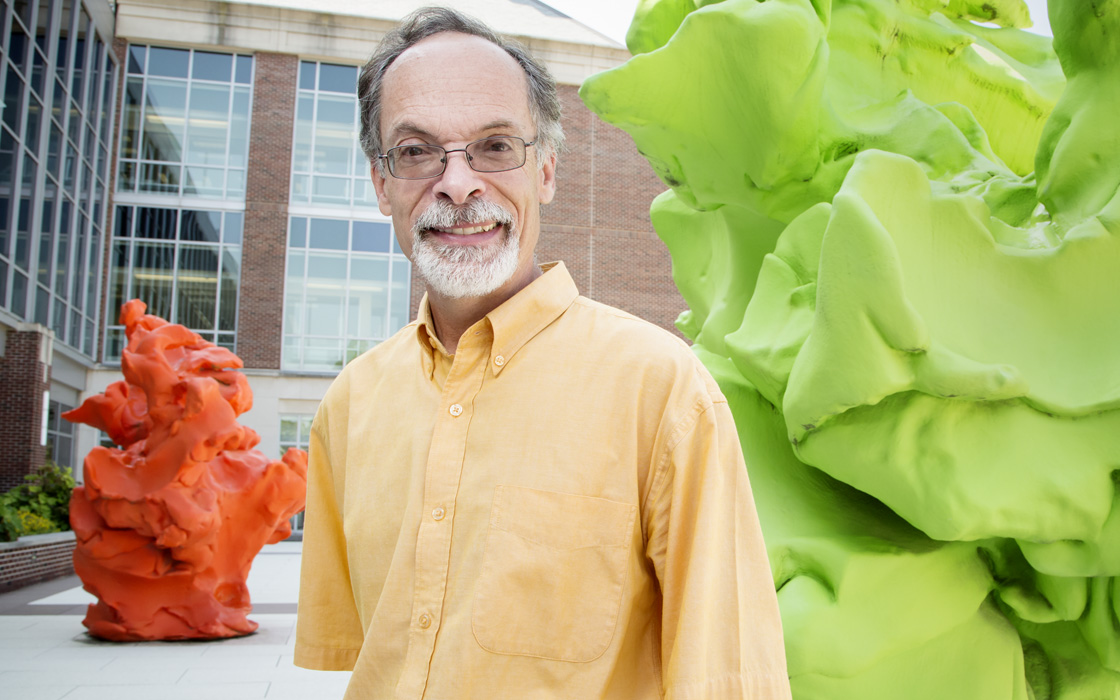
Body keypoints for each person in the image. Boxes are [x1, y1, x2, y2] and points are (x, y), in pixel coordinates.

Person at [294, 7, 791, 699]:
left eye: (496, 146)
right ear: (382, 184)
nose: (458, 183)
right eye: (415, 152)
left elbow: (729, 681)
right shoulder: (348, 405)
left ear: (547, 171)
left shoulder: (662, 390)